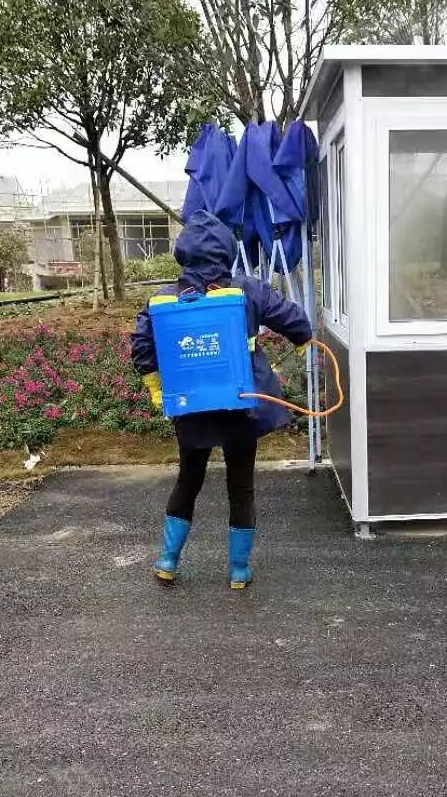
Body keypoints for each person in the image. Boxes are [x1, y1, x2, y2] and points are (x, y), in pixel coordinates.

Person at [131, 211, 312, 588]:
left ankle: (168, 560)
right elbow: (293, 318)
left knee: (188, 480)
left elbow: (142, 346)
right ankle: (238, 571)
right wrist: (302, 339)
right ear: (227, 252)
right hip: (240, 406)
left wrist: (154, 384)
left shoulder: (163, 299)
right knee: (240, 486)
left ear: (183, 254)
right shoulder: (248, 290)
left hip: (192, 409)